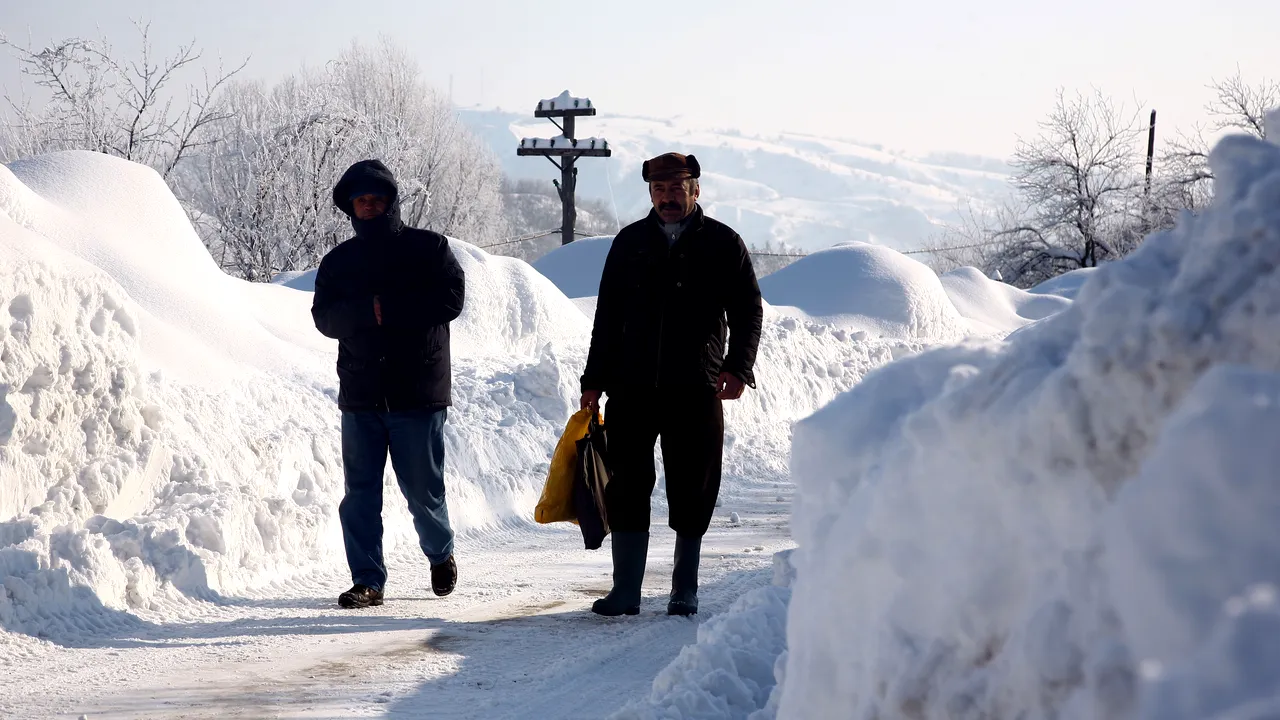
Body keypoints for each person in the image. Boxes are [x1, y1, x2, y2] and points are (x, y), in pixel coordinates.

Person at [580, 152, 763, 616]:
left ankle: (684, 587)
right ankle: (626, 591)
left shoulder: (723, 244)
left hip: (696, 389)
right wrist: (593, 380)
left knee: (693, 485)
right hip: (631, 388)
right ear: (650, 194)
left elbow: (748, 312)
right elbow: (606, 319)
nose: (667, 198)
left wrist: (738, 368)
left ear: (695, 190)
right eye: (659, 190)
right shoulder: (629, 243)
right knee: (626, 484)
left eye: (676, 188)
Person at [311, 159, 465, 609]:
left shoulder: (428, 248)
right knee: (359, 495)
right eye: (361, 200)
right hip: (360, 393)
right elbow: (324, 316)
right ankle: (368, 580)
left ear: (392, 202)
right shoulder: (339, 261)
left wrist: (391, 308)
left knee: (422, 488)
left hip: (417, 392)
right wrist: (365, 312)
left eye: (377, 199)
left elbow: (451, 298)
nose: (369, 206)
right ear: (351, 208)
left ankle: (440, 553)